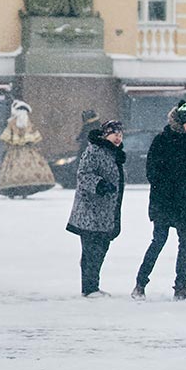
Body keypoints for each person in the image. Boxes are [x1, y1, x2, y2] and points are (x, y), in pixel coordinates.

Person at [133, 101, 186, 301]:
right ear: (180, 123)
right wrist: (168, 188)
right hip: (164, 202)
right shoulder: (162, 140)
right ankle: (140, 283)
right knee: (159, 241)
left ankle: (180, 286)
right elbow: (153, 171)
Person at [66, 120, 125, 297]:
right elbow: (83, 175)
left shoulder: (114, 153)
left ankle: (93, 285)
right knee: (91, 250)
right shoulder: (94, 151)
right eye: (115, 134)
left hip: (106, 211)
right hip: (90, 211)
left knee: (101, 249)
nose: (118, 138)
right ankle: (89, 288)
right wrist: (100, 185)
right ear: (105, 135)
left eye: (121, 135)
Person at [0, 100, 56, 198]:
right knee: (22, 171)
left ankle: (21, 190)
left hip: (22, 150)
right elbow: (8, 137)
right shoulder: (14, 123)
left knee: (22, 172)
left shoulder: (26, 123)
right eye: (21, 110)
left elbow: (7, 138)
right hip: (19, 150)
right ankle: (17, 190)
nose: (22, 113)